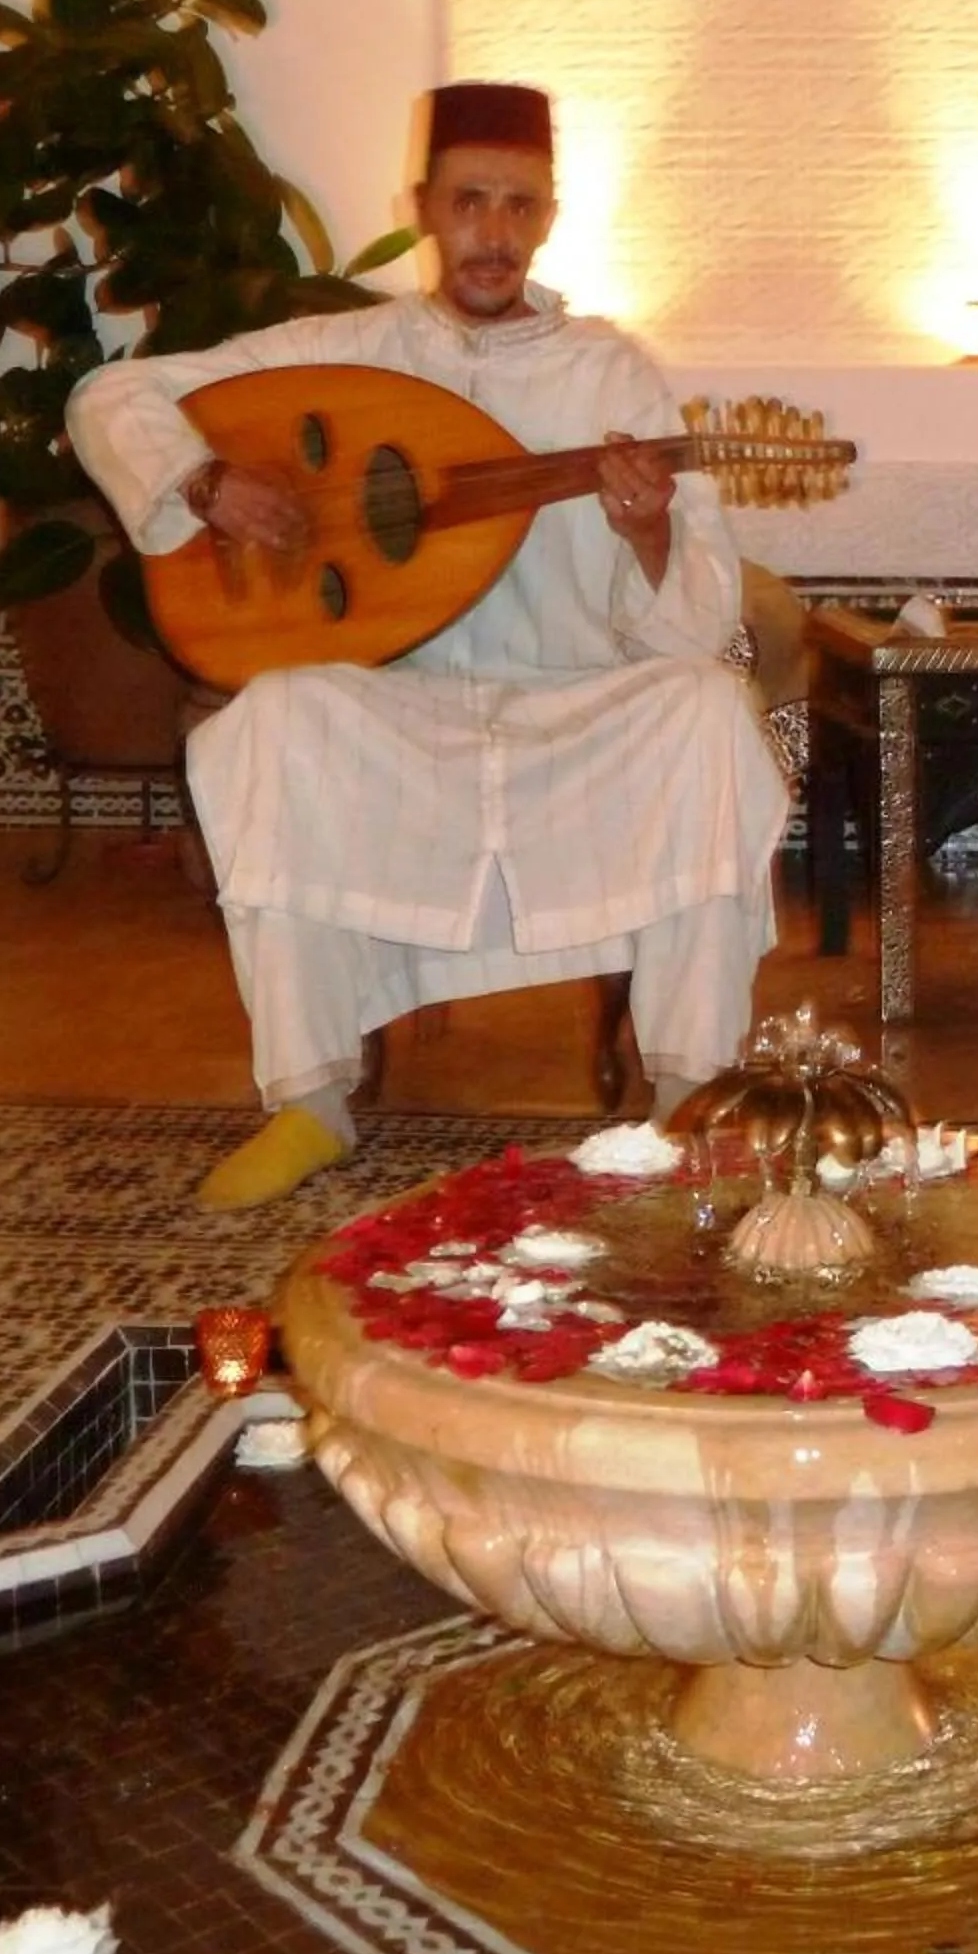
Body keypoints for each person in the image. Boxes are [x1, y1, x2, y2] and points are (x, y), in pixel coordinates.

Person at [68, 82, 789, 1210]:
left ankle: (687, 1093)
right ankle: (309, 1102)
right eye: (469, 202)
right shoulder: (345, 346)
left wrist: (646, 529)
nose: (493, 233)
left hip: (569, 712)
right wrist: (203, 481)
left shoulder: (612, 374)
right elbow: (112, 395)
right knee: (273, 723)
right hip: (397, 712)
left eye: (518, 205)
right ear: (425, 208)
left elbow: (699, 621)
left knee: (703, 709)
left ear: (549, 217)